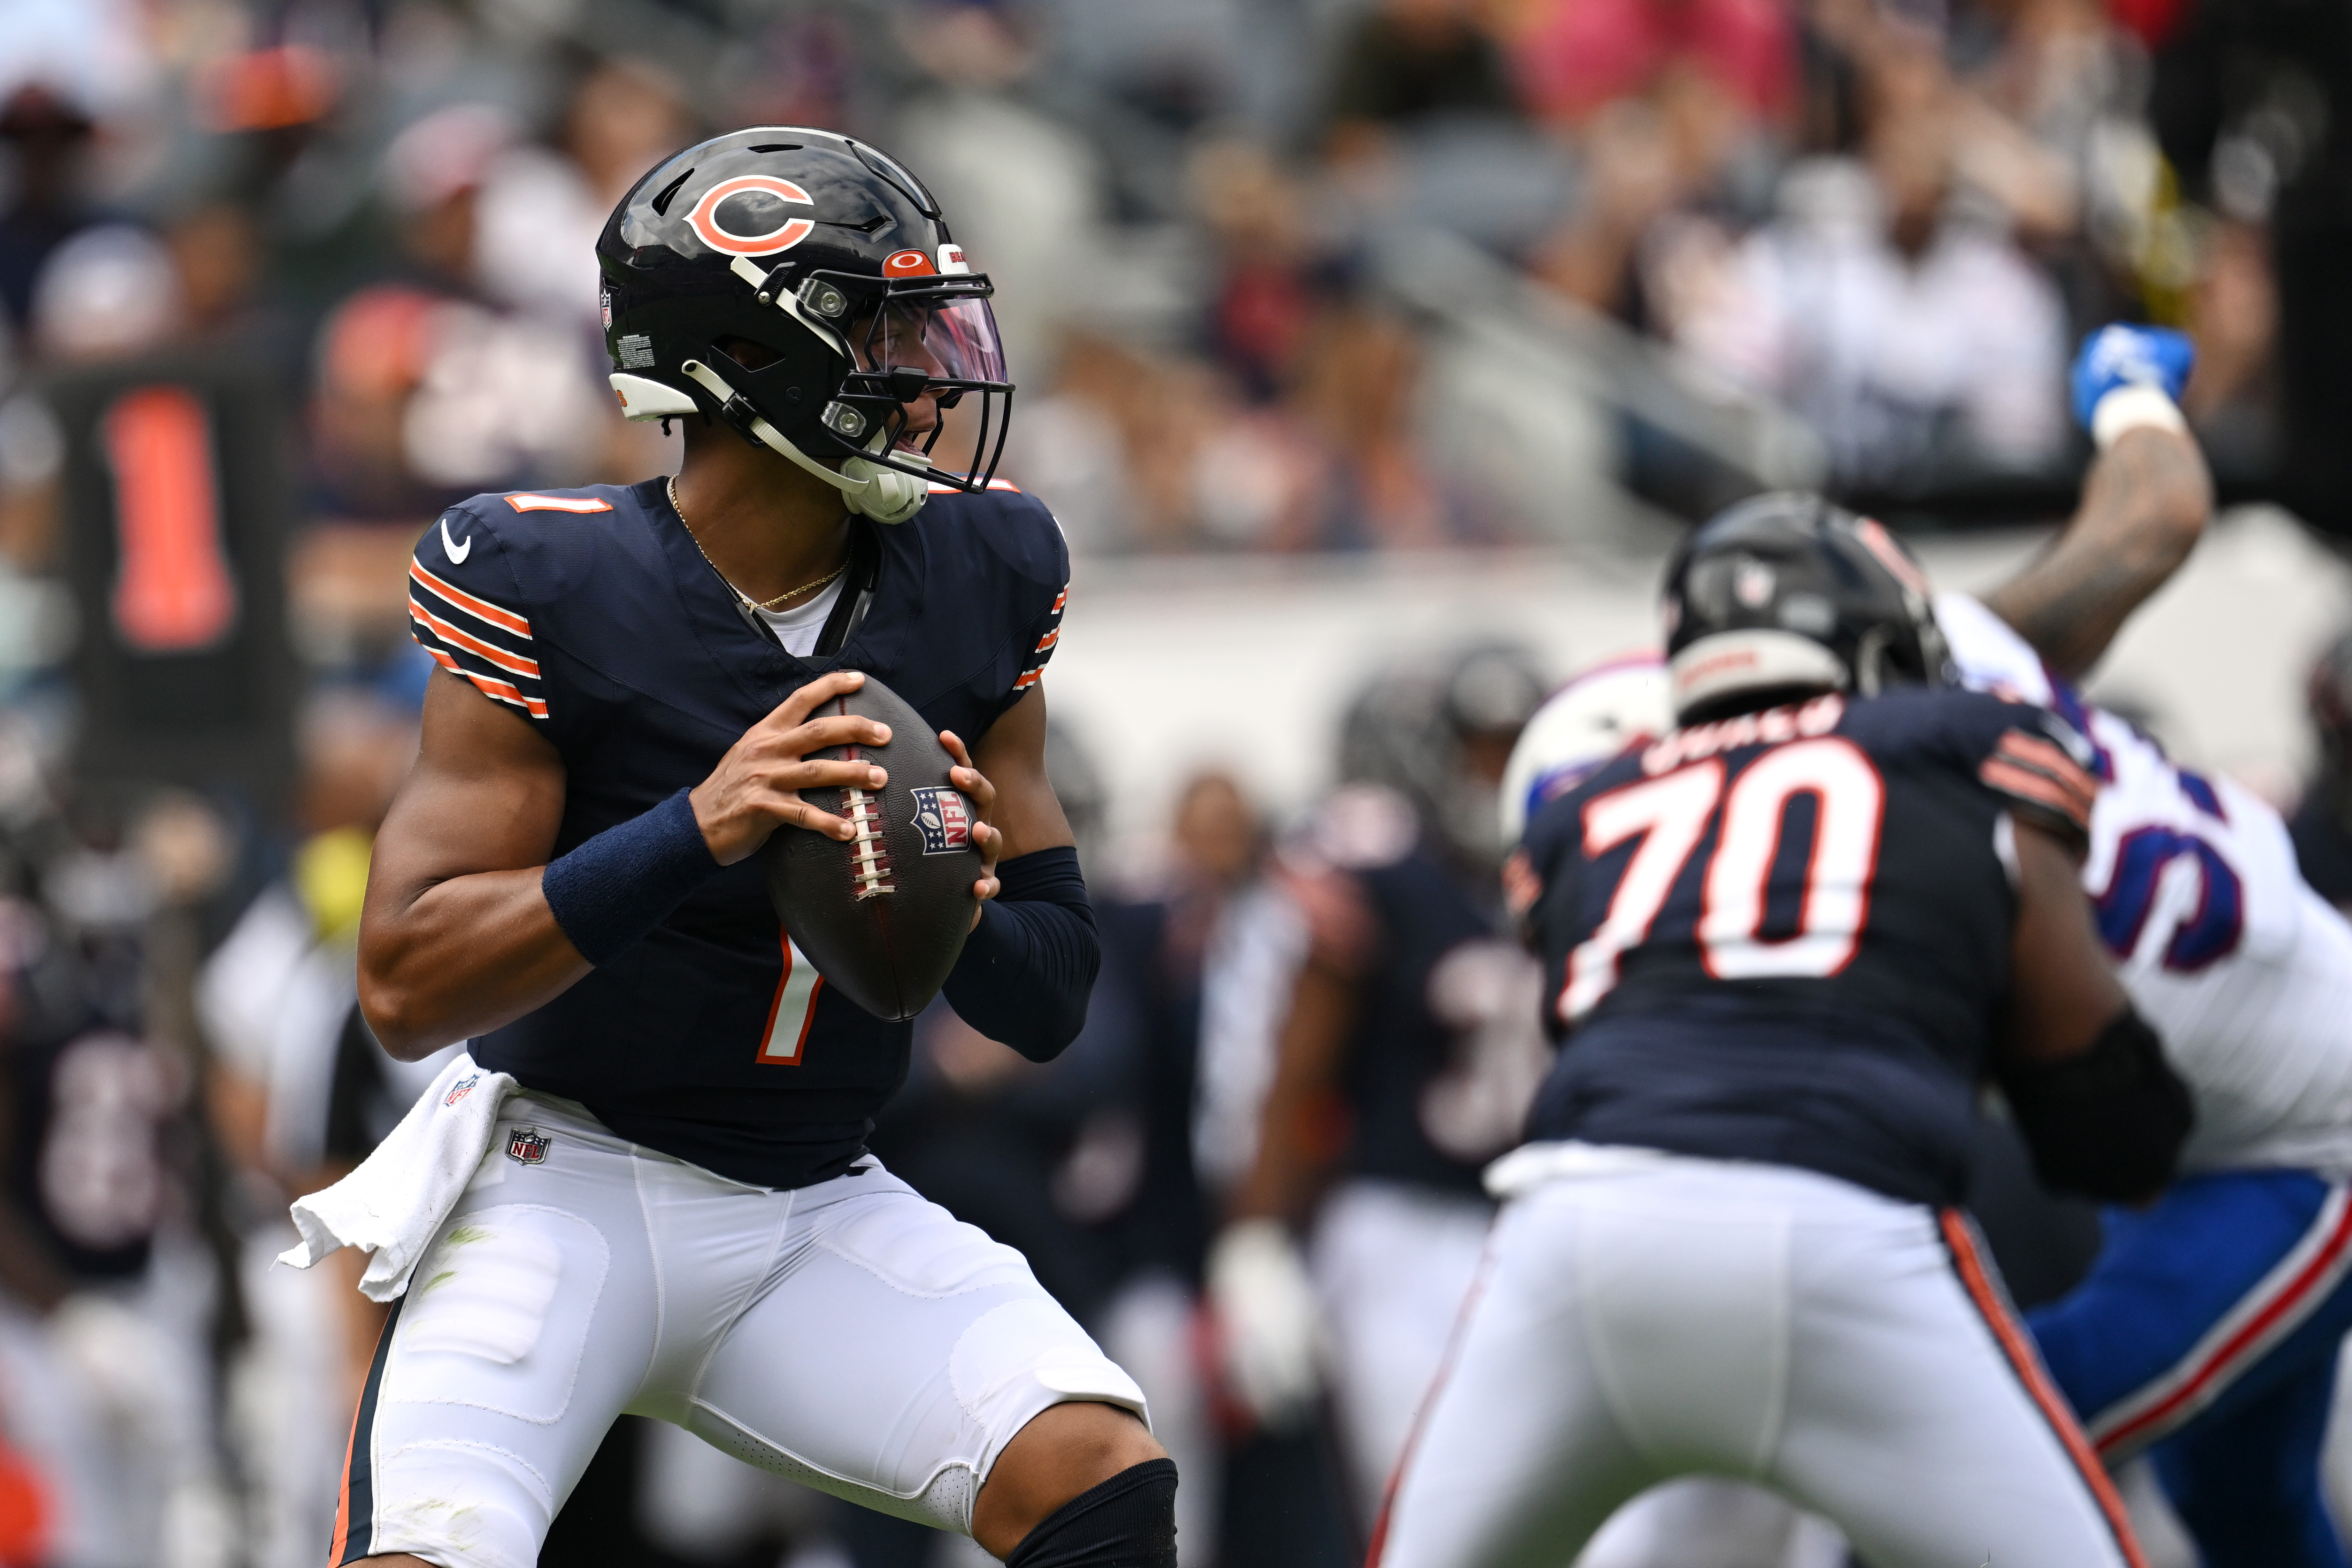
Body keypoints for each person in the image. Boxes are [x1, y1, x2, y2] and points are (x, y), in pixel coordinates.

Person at [327, 129, 1173, 1568]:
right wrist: (697, 826)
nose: (928, 367)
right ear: (747, 355)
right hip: (564, 1182)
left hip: (812, 1198)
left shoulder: (985, 568)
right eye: (884, 327)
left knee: (1094, 1468)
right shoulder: (549, 574)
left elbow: (1052, 999)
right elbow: (407, 982)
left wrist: (951, 899)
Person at [1370, 496, 2194, 1568]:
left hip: (1578, 1234)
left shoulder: (1592, 803)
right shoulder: (1968, 747)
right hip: (1841, 1228)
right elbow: (2100, 1107)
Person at [1938, 326, 2352, 1568]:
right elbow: (2155, 513)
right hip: (2200, 1119)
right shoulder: (1969, 650)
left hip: (2305, 1137)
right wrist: (2124, 388)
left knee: (1990, 1444)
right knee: (2246, 1515)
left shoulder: (1878, 812)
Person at [1207, 645, 1548, 1530]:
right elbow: (1297, 1063)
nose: (1495, 773)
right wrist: (1255, 1242)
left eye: (1513, 745)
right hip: (1402, 1227)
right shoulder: (1385, 869)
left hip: (1538, 1222)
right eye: (1479, 747)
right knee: (1423, 1504)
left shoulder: (1567, 872)